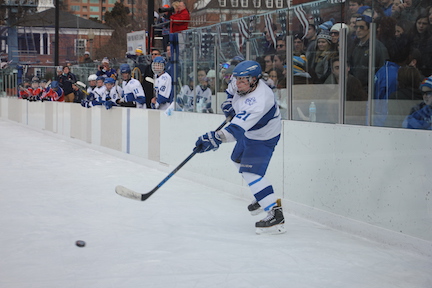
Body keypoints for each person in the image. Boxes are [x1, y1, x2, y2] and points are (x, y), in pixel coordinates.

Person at [194, 60, 285, 235]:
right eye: (237, 79)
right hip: (249, 132)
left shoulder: (259, 100)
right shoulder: (239, 81)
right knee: (237, 159)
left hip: (263, 136)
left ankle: (275, 213)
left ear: (254, 80)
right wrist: (229, 103)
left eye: (243, 80)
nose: (238, 83)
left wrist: (214, 138)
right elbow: (230, 93)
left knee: (251, 172)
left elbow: (235, 131)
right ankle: (263, 195)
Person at [348, 15, 389, 92]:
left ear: (370, 29)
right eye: (356, 27)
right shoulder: (355, 46)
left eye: (362, 27)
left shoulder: (377, 47)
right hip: (356, 88)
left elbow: (382, 71)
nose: (358, 30)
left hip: (370, 90)